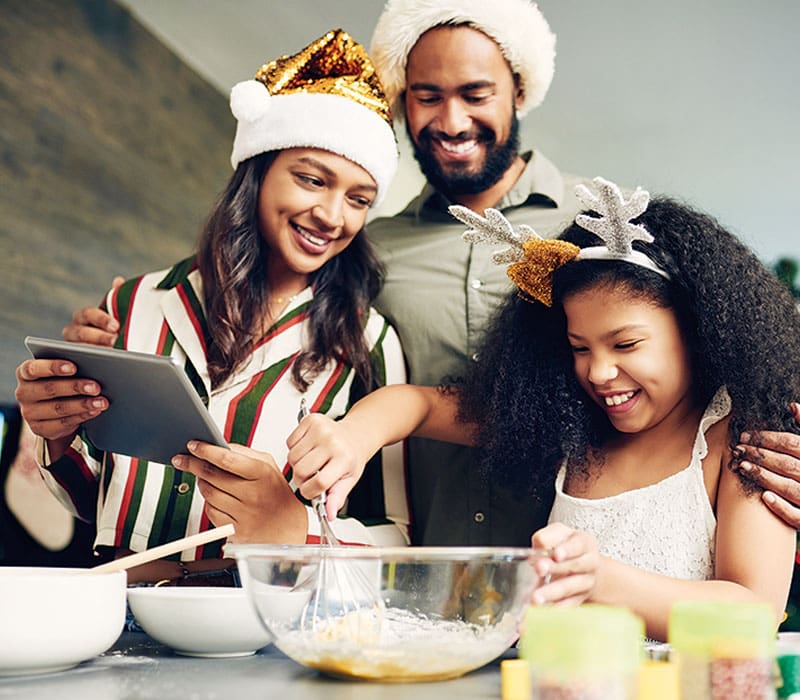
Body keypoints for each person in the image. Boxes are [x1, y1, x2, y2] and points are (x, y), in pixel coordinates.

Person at [62, 1, 800, 543]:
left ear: (518, 92)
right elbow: (268, 346)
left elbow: (716, 359)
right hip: (413, 573)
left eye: (476, 94)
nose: (450, 120)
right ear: (403, 104)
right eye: (426, 95)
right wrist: (112, 355)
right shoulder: (363, 252)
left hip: (571, 568)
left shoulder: (601, 235)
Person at [287, 177, 800, 640]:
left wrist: (598, 578)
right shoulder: (572, 419)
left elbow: (754, 611)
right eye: (581, 348)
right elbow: (417, 404)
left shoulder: (745, 444)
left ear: (697, 331)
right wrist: (354, 435)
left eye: (625, 345)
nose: (597, 372)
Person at [14, 29, 410, 584]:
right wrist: (53, 430)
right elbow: (93, 499)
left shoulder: (367, 341)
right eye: (311, 179)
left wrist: (293, 526)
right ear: (257, 171)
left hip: (255, 625)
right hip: (116, 611)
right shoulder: (131, 304)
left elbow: (395, 535)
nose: (332, 214)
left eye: (358, 198)